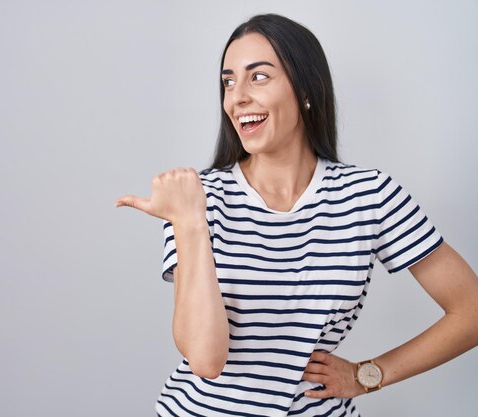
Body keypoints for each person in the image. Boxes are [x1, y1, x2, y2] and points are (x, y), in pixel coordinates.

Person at [115, 13, 478, 417]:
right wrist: (189, 222)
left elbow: (472, 311)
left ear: (306, 89)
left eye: (259, 76)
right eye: (228, 81)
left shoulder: (369, 194)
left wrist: (369, 374)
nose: (237, 97)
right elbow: (206, 360)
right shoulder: (196, 199)